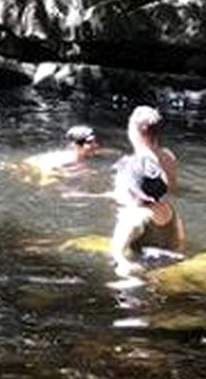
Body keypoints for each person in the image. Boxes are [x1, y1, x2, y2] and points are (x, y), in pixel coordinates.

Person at [110, 106, 185, 273]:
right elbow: (170, 190)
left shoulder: (133, 164)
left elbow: (124, 200)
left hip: (140, 219)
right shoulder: (168, 156)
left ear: (138, 130)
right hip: (162, 212)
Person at [21, 125, 102, 179]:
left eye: (94, 141)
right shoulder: (69, 158)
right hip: (28, 167)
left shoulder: (82, 154)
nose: (96, 145)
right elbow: (44, 168)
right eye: (90, 143)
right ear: (77, 145)